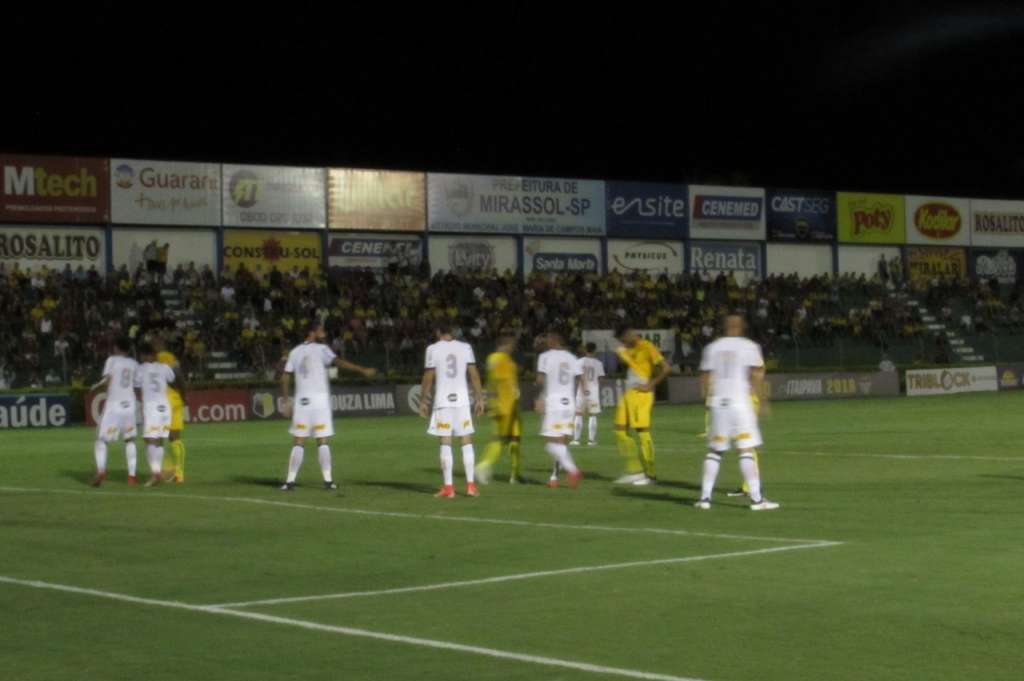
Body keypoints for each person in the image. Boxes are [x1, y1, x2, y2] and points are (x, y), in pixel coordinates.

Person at [279, 321, 377, 491]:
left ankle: (289, 482)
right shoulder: (322, 349)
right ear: (312, 332)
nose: (323, 332)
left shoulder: (294, 352)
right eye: (320, 330)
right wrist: (362, 370)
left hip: (302, 401)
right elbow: (339, 362)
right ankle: (328, 481)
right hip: (320, 402)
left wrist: (286, 400)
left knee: (298, 441)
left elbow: (285, 376)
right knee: (322, 441)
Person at [695, 314, 779, 511]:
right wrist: (763, 400)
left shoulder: (712, 347)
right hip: (740, 402)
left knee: (715, 451)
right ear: (741, 327)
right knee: (746, 449)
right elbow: (757, 374)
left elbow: (705, 376)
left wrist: (707, 399)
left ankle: (704, 499)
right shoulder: (749, 346)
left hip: (718, 402)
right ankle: (757, 501)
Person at [419, 323, 485, 498]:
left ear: (438, 331)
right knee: (466, 439)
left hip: (443, 401)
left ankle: (449, 488)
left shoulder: (432, 349)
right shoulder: (466, 347)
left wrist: (423, 400)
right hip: (462, 400)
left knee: (445, 441)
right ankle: (471, 486)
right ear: (454, 332)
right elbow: (474, 374)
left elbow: (428, 376)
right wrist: (479, 398)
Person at [613, 328, 669, 485]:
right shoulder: (627, 350)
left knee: (642, 432)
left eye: (624, 339)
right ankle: (635, 472)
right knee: (619, 431)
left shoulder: (646, 346)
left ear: (630, 334)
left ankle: (651, 475)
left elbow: (666, 368)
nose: (623, 343)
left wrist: (651, 384)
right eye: (621, 341)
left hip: (641, 394)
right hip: (629, 392)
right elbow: (632, 366)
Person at [90, 337, 140, 487]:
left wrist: (96, 386)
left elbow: (108, 380)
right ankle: (131, 476)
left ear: (117, 347)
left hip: (114, 403)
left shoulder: (112, 360)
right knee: (130, 440)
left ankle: (101, 471)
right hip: (130, 404)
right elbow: (136, 384)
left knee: (101, 439)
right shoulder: (134, 364)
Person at [536, 332, 583, 489]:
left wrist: (540, 398)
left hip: (554, 402)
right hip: (569, 402)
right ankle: (554, 477)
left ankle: (572, 470)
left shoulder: (545, 357)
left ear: (554, 340)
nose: (546, 341)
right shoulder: (572, 358)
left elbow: (540, 380)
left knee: (550, 443)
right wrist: (581, 401)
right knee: (561, 442)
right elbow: (580, 380)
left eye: (548, 338)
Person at [476, 335, 523, 484]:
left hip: (505, 405)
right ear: (504, 344)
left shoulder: (496, 359)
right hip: (506, 406)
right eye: (511, 345)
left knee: (514, 439)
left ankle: (515, 475)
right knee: (501, 439)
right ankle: (483, 465)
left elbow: (493, 382)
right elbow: (502, 381)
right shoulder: (501, 359)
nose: (513, 348)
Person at [135, 342, 177, 487]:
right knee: (159, 440)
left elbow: (137, 389)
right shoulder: (165, 367)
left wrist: (141, 403)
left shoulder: (141, 369)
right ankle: (157, 471)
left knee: (149, 439)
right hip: (165, 407)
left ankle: (155, 473)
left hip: (151, 407)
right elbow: (173, 379)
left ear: (144, 355)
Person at [152, 336, 188, 483]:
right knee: (174, 438)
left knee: (156, 438)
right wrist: (184, 396)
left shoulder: (154, 359)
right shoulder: (171, 358)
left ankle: (163, 470)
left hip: (160, 402)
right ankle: (178, 473)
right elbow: (179, 376)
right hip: (175, 400)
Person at [571, 342, 604, 446]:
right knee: (592, 415)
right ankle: (591, 441)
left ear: (585, 350)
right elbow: (601, 378)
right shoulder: (598, 363)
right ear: (595, 350)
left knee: (578, 414)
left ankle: (576, 440)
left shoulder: (579, 362)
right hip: (593, 391)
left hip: (581, 390)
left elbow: (578, 377)